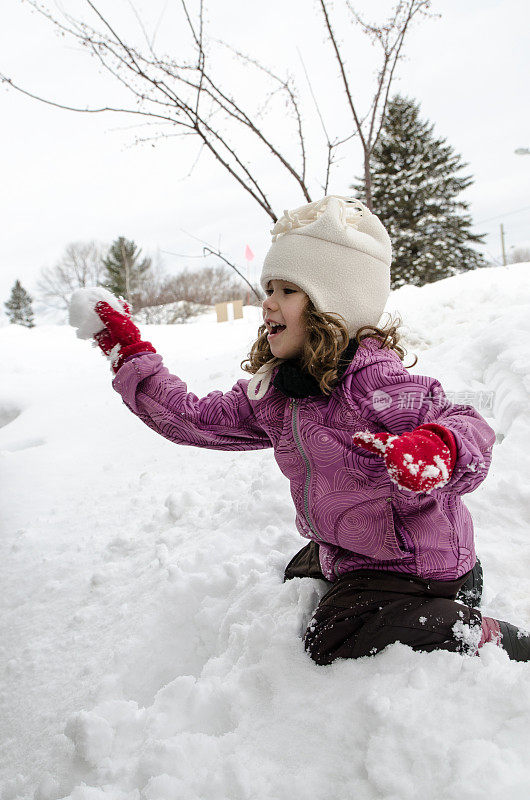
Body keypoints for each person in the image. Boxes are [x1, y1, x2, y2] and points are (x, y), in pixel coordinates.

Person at [71, 195, 529, 663]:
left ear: (333, 306)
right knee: (301, 574)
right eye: (268, 288)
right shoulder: (278, 394)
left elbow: (465, 420)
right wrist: (125, 350)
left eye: (287, 291)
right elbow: (190, 418)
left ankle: (485, 635)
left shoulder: (378, 385)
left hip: (421, 568)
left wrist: (438, 448)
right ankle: (358, 584)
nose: (266, 303)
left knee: (330, 637)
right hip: (357, 552)